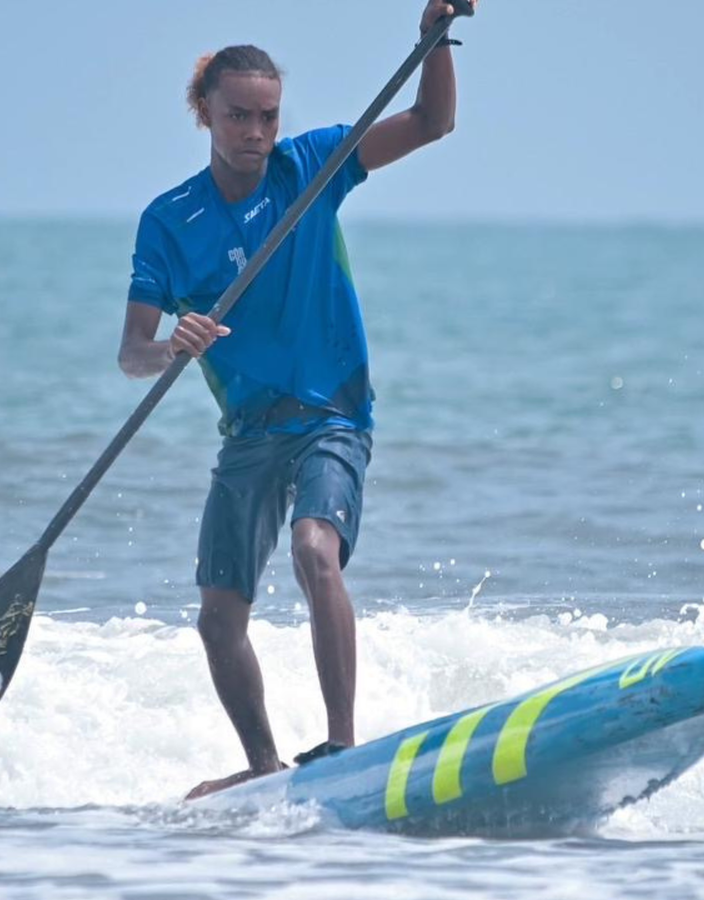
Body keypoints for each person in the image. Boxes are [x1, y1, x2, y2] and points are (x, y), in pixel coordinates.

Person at [117, 1, 475, 799]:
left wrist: (434, 38)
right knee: (217, 618)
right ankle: (264, 765)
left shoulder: (310, 167)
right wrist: (170, 345)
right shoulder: (168, 223)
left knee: (317, 551)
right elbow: (131, 353)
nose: (255, 131)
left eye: (267, 115)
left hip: (333, 415)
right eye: (238, 115)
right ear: (203, 111)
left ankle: (342, 746)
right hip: (249, 430)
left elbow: (430, 121)